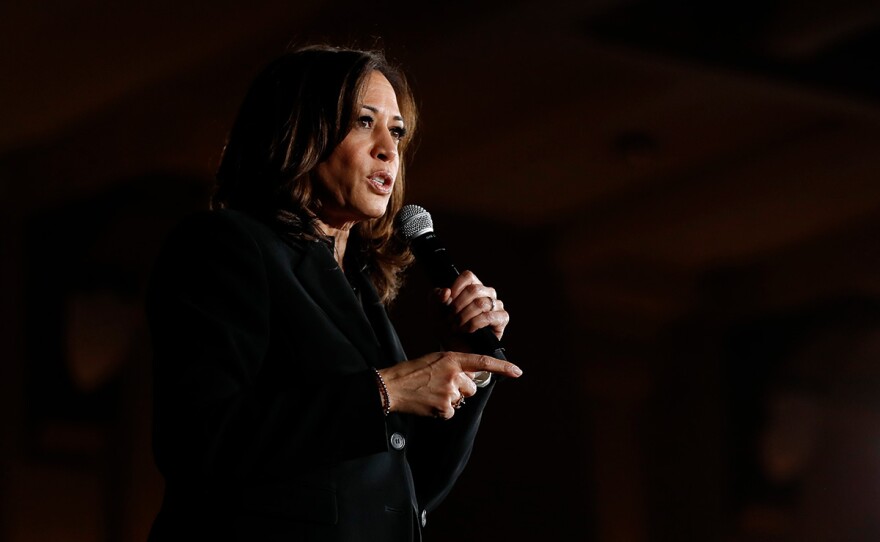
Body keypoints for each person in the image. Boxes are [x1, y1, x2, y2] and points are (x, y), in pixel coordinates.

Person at [145, 44, 521, 541]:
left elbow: (408, 494)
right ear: (298, 132)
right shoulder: (227, 247)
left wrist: (470, 362)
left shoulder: (359, 289)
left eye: (397, 131)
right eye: (364, 122)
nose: (388, 148)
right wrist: (385, 391)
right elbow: (197, 441)